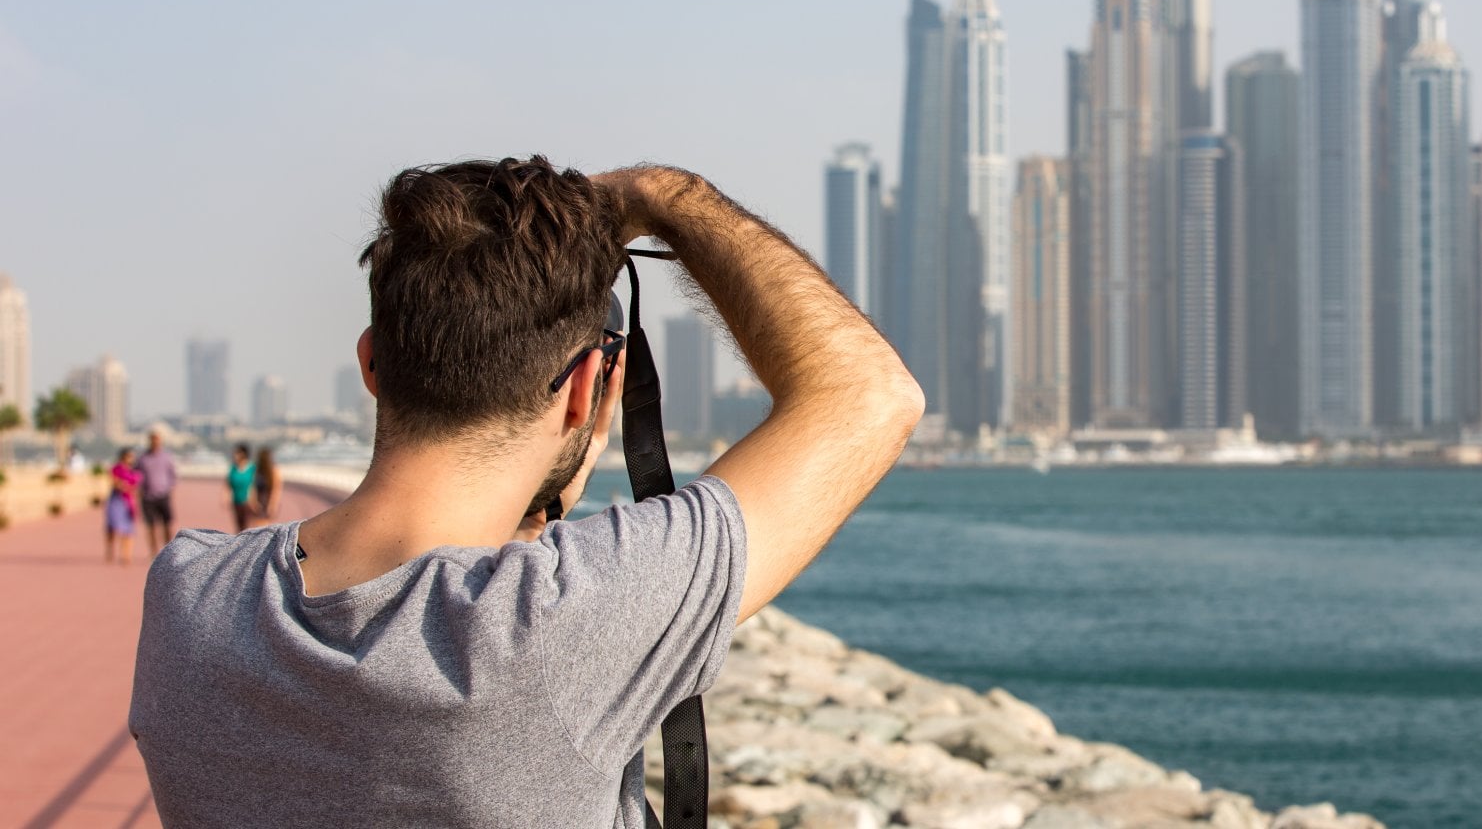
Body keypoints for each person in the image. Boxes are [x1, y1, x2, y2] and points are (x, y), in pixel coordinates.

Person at [131, 157, 922, 826]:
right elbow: (872, 396)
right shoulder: (559, 620)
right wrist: (660, 193)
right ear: (585, 390)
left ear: (373, 364)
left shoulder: (190, 595)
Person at [133, 429, 178, 557]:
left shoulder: (167, 457)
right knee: (151, 526)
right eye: (153, 439)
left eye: (157, 439)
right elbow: (136, 475)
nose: (155, 442)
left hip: (163, 494)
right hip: (148, 496)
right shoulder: (142, 459)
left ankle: (169, 551)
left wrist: (171, 490)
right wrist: (138, 490)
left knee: (167, 524)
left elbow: (173, 475)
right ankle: (153, 552)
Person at [105, 446, 142, 565]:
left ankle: (126, 555)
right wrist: (125, 486)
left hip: (129, 502)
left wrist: (127, 487)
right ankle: (110, 550)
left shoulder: (134, 471)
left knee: (128, 529)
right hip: (116, 500)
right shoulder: (116, 469)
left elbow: (136, 487)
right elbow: (116, 483)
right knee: (113, 526)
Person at [226, 443, 256, 533]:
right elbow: (228, 482)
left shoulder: (252, 468)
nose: (235, 456)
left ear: (243, 454)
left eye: (237, 453)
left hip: (249, 502)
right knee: (239, 528)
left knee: (249, 528)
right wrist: (226, 496)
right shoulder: (233, 468)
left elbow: (256, 484)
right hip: (236, 501)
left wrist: (253, 499)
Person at [253, 446, 282, 522]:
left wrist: (272, 504)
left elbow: (276, 488)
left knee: (266, 525)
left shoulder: (273, 470)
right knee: (257, 525)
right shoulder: (257, 470)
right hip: (260, 500)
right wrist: (254, 501)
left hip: (268, 500)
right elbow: (253, 487)